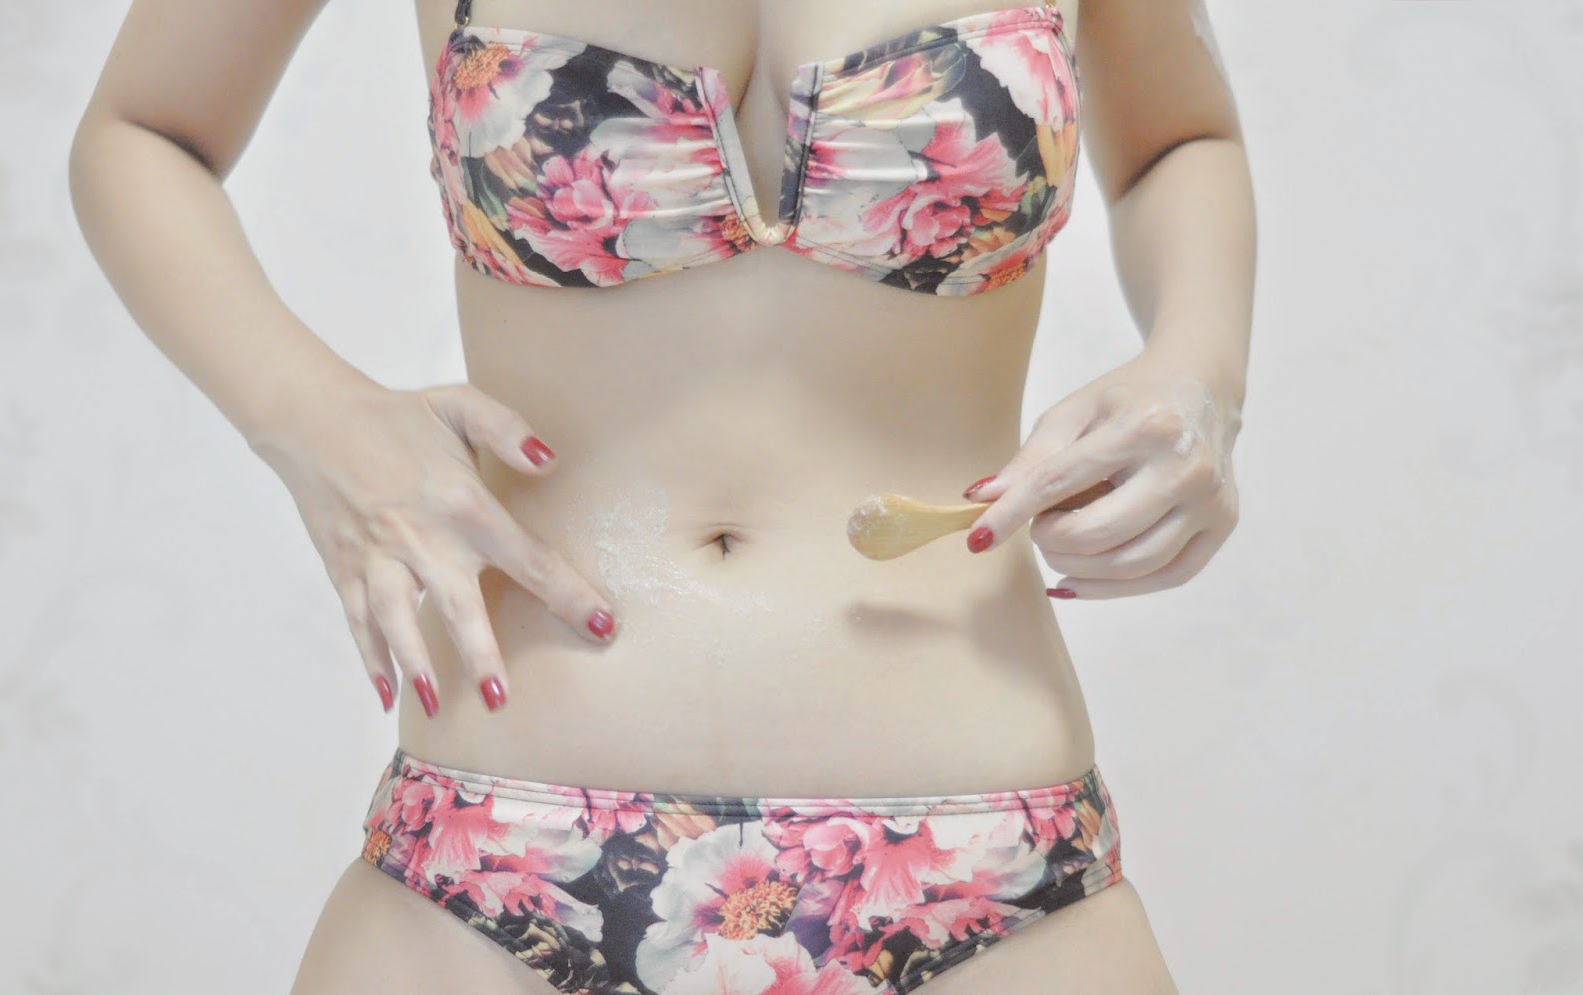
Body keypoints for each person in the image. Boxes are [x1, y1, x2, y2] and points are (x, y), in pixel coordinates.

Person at [68, 0, 1253, 990]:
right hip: (495, 870)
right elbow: (142, 132)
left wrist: (1198, 372)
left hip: (988, 865)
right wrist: (315, 418)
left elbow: (1177, 139)